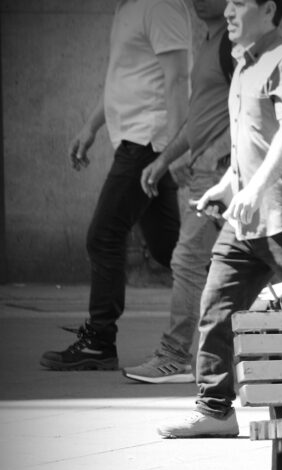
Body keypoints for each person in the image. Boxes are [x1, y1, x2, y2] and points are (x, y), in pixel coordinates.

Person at [157, 0, 282, 438]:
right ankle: (216, 408)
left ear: (270, 10)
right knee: (216, 306)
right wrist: (228, 186)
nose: (228, 11)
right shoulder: (242, 67)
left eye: (240, 3)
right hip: (245, 220)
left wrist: (255, 189)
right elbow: (249, 145)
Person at [40, 0, 191, 371]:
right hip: (137, 141)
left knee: (103, 235)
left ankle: (99, 341)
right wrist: (90, 127)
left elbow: (176, 79)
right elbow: (122, 81)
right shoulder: (127, 7)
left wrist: (174, 152)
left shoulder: (160, 6)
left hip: (149, 143)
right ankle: (255, 304)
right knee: (171, 247)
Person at [122, 0, 233, 384]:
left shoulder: (232, 46)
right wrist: (166, 158)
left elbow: (252, 108)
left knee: (188, 261)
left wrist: (223, 160)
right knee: (245, 264)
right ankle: (281, 345)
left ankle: (174, 355)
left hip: (219, 174)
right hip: (206, 171)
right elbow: (198, 118)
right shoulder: (209, 42)